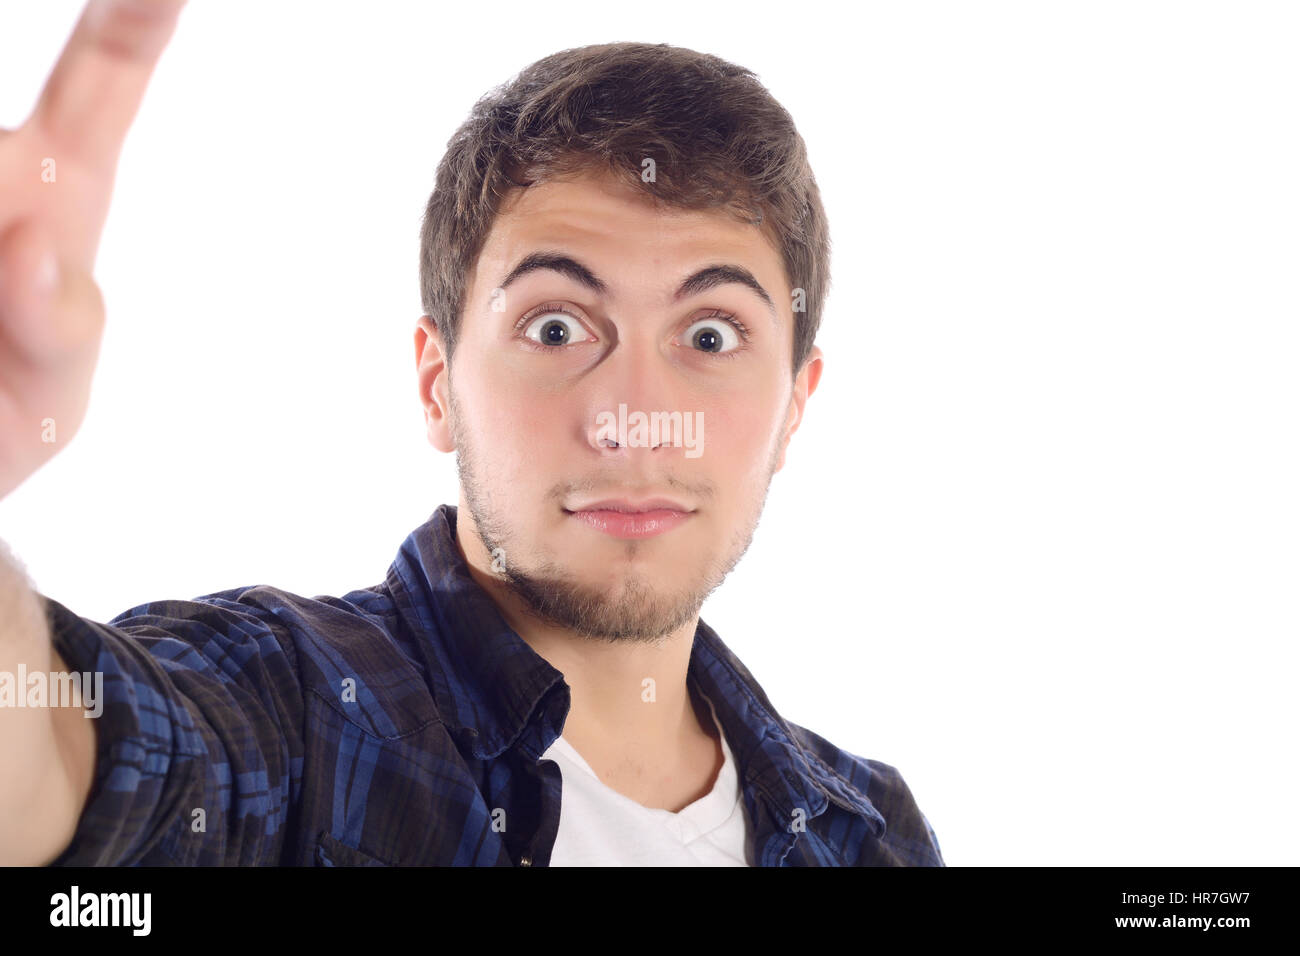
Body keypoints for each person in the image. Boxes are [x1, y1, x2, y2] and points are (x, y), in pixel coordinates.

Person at [0, 0, 944, 866]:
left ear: (795, 405)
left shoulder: (872, 834)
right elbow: (56, 769)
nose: (631, 418)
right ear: (437, 381)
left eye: (709, 335)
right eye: (558, 327)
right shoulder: (294, 716)